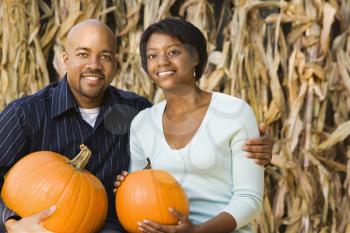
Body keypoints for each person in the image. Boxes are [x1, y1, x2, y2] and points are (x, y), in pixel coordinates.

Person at [0, 19, 271, 233]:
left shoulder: (135, 113)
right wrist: (12, 224)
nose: (94, 65)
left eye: (105, 56)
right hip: (36, 227)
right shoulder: (27, 114)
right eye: (83, 54)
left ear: (116, 64)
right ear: (65, 60)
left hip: (110, 227)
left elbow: (152, 179)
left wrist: (257, 151)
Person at [115, 18, 264, 233]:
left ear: (195, 57)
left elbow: (249, 199)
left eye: (173, 52)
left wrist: (197, 232)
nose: (162, 61)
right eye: (152, 55)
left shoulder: (235, 113)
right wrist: (128, 188)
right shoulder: (143, 123)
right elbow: (139, 199)